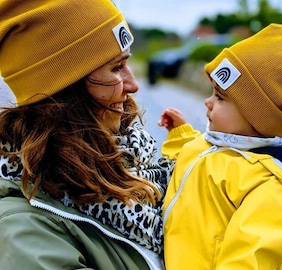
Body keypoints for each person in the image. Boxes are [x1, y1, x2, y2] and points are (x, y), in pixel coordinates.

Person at [0, 1, 174, 269]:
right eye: (116, 68)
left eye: (126, 64)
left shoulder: (131, 166)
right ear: (64, 92)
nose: (133, 85)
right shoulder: (25, 233)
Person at [158, 23, 282, 269]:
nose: (207, 102)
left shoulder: (274, 190)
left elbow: (249, 261)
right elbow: (198, 162)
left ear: (261, 116)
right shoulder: (226, 144)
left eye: (220, 97)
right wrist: (181, 134)